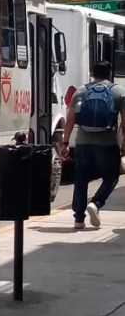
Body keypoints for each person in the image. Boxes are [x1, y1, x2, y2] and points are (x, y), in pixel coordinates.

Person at [62, 61, 125, 229]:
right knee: (111, 177)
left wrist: (65, 143)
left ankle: (78, 219)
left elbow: (70, 118)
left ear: (92, 73)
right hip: (108, 143)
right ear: (109, 73)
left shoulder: (81, 91)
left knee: (81, 179)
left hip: (83, 143)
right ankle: (96, 203)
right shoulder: (118, 91)